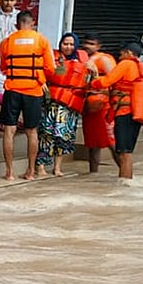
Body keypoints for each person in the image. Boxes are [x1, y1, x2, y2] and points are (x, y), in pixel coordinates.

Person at [0, 10, 55, 181]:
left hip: (12, 89)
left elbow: (2, 68)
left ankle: (9, 172)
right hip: (33, 91)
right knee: (32, 131)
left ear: (17, 24)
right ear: (33, 23)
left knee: (9, 130)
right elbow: (50, 69)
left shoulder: (6, 42)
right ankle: (30, 171)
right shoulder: (42, 40)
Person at [90, 42, 143, 179]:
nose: (120, 57)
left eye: (121, 54)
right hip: (136, 113)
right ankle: (127, 184)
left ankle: (124, 183)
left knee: (124, 153)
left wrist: (93, 81)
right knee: (128, 152)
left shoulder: (126, 64)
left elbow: (107, 81)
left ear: (129, 53)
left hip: (124, 113)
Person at [38, 33, 89, 177]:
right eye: (65, 44)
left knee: (63, 136)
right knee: (46, 134)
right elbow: (43, 73)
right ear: (60, 44)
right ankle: (40, 167)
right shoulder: (53, 58)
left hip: (70, 106)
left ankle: (57, 167)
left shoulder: (83, 61)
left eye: (71, 44)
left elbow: (89, 81)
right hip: (52, 103)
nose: (68, 47)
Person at [80, 33, 120, 173]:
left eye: (91, 44)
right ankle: (93, 175)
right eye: (86, 43)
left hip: (103, 106)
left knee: (111, 141)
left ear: (98, 46)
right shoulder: (82, 59)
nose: (87, 46)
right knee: (93, 144)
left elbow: (115, 81)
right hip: (89, 107)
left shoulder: (104, 59)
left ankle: (125, 173)